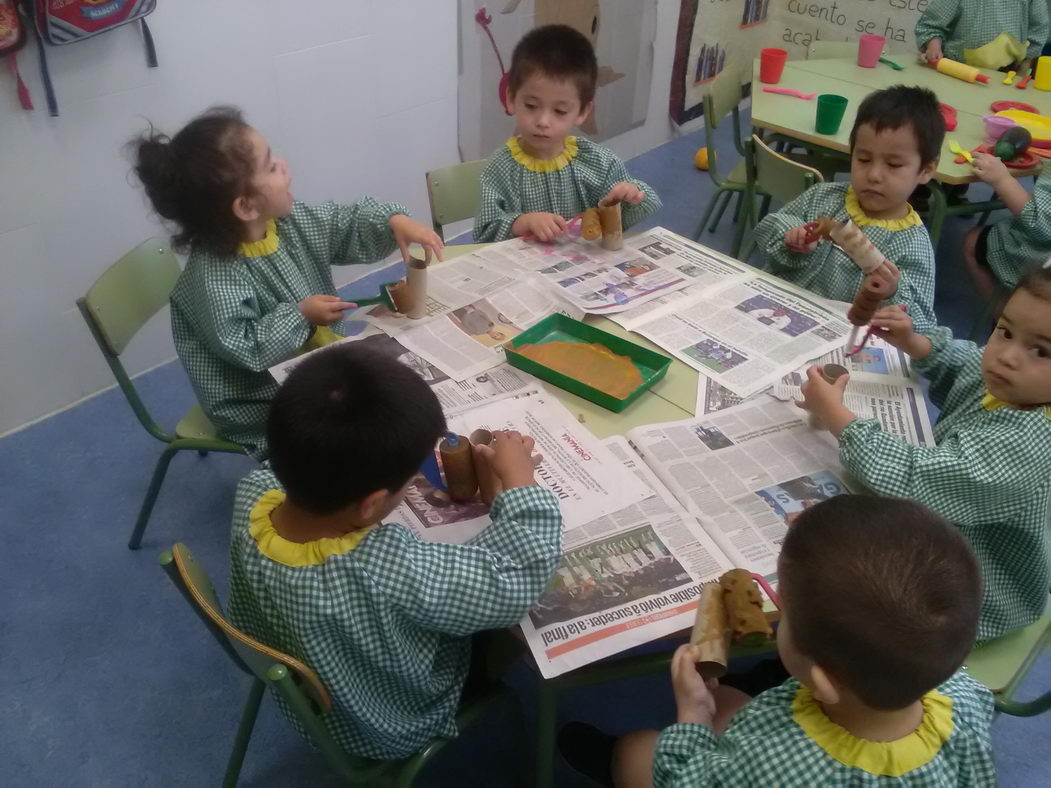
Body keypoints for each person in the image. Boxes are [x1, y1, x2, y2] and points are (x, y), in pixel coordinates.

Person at [227, 343, 563, 759]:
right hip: (388, 722)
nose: (412, 487)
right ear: (370, 505)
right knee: (521, 630)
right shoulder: (383, 567)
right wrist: (520, 482)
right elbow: (516, 579)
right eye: (409, 481)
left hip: (315, 691)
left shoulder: (253, 493)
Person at [560, 496, 996, 787]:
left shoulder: (772, 765)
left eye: (785, 616)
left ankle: (615, 760)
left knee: (639, 750)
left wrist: (692, 716)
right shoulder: (962, 693)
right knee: (730, 701)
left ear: (823, 680)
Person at [131, 106, 442, 458]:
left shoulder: (287, 222)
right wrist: (301, 315)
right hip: (260, 398)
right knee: (372, 427)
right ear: (246, 207)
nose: (283, 164)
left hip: (314, 360)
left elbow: (343, 224)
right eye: (270, 165)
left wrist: (393, 220)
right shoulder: (213, 276)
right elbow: (246, 347)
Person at [800, 265, 1051, 640]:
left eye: (1041, 350)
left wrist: (835, 414)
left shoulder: (1024, 444)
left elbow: (913, 476)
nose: (1007, 357)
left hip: (973, 594)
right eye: (1006, 331)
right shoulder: (1017, 387)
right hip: (945, 533)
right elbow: (967, 359)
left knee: (838, 582)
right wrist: (915, 343)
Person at [752, 85, 943, 333]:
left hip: (838, 336)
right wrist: (792, 239)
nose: (874, 175)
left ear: (926, 169)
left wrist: (893, 291)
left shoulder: (913, 245)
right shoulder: (823, 197)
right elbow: (767, 229)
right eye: (863, 159)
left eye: (893, 165)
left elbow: (921, 326)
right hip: (776, 312)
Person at [473, 24, 661, 243]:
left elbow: (637, 212)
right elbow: (484, 234)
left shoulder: (598, 163)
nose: (543, 121)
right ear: (511, 99)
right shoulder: (499, 170)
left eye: (560, 111)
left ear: (582, 112)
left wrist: (623, 198)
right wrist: (522, 222)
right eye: (531, 106)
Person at [964, 151, 1051, 298]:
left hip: (1041, 264)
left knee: (973, 240)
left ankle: (1006, 317)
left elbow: (1038, 222)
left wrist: (1001, 180)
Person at [916, 0, 1048, 72]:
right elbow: (931, 24)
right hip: (958, 69)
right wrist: (933, 45)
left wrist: (1026, 64)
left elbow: (1039, 28)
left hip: (1009, 74)